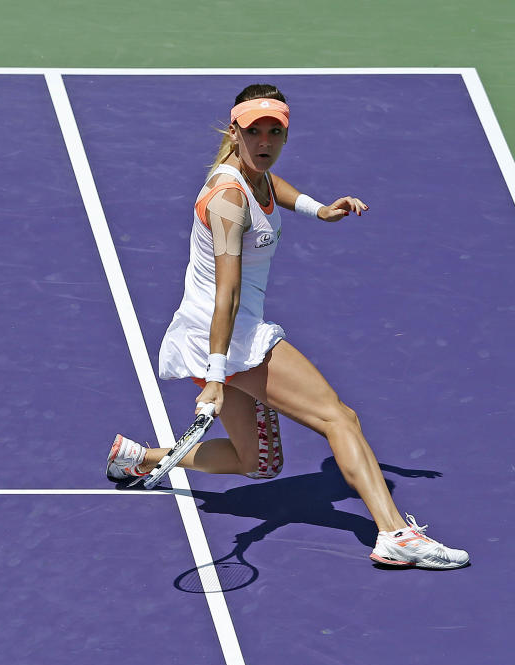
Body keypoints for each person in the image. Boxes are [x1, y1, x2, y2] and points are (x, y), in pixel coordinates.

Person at [106, 83, 469, 570]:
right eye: (255, 131)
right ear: (235, 131)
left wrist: (318, 209)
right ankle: (394, 533)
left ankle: (139, 457)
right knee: (339, 418)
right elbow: (227, 294)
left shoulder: (253, 176)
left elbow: (274, 187)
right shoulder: (228, 199)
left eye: (275, 132)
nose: (266, 142)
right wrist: (216, 378)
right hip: (227, 333)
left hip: (215, 330)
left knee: (257, 463)